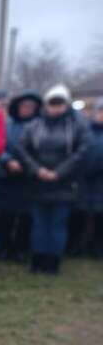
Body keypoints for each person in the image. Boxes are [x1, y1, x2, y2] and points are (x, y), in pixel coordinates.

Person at [14, 84, 92, 274]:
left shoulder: (77, 125)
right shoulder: (35, 125)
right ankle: (37, 260)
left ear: (66, 104)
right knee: (39, 224)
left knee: (57, 224)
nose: (55, 107)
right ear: (46, 104)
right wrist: (37, 170)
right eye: (52, 103)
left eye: (60, 103)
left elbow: (83, 150)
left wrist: (60, 172)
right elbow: (21, 149)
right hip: (38, 184)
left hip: (64, 184)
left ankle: (53, 262)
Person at [0, 90, 42, 261]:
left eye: (30, 106)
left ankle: (20, 250)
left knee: (25, 217)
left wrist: (27, 165)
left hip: (28, 178)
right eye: (23, 105)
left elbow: (42, 150)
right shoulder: (7, 124)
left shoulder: (40, 126)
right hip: (6, 176)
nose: (27, 109)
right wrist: (8, 161)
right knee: (4, 216)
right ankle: (2, 248)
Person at [77, 98, 103, 257]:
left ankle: (98, 247)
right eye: (100, 111)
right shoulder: (85, 131)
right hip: (84, 179)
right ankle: (79, 245)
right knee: (80, 213)